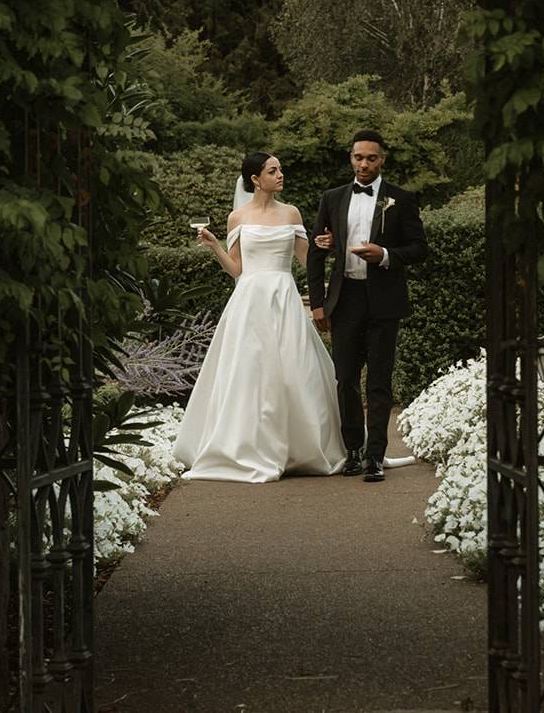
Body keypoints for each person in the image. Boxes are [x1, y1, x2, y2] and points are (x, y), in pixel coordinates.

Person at [172, 152, 347, 482]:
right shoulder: (236, 218)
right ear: (255, 179)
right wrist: (214, 245)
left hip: (283, 297)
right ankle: (248, 445)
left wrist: (329, 247)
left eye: (279, 169)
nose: (280, 175)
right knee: (250, 371)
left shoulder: (291, 213)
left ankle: (301, 447)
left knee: (295, 369)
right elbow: (237, 269)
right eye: (273, 170)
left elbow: (309, 260)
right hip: (250, 301)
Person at [307, 130, 429, 482]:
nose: (364, 164)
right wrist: (318, 304)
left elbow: (420, 248)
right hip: (344, 300)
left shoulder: (401, 199)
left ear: (382, 160)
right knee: (345, 377)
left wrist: (386, 255)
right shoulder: (332, 198)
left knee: (379, 380)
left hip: (384, 300)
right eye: (358, 157)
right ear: (351, 158)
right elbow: (317, 251)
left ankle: (376, 456)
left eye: (371, 158)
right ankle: (353, 451)